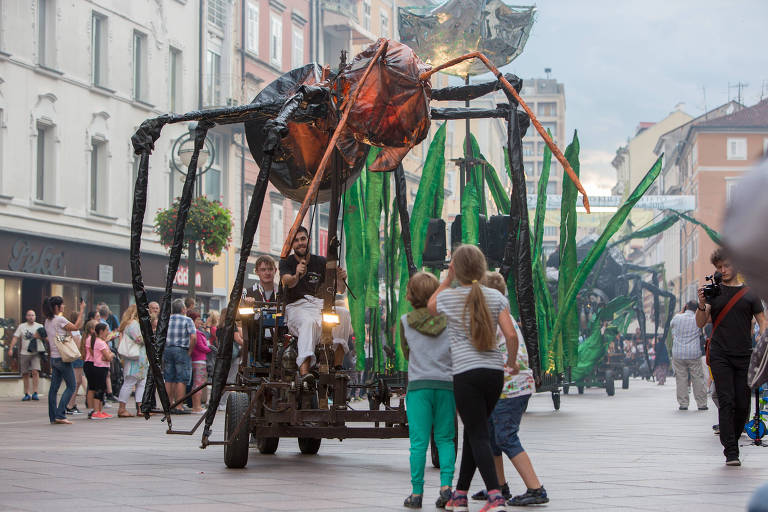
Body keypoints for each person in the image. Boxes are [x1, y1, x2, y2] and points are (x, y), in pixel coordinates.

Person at [428, 245, 518, 512]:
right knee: (474, 431)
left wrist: (447, 279)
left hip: (466, 375)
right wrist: (510, 363)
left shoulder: (450, 297)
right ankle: (461, 494)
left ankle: (495, 496)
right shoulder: (495, 296)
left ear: (456, 268)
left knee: (478, 434)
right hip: (494, 374)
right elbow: (511, 336)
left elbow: (431, 306)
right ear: (482, 267)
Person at [470, 272, 548, 507]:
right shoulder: (503, 315)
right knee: (494, 437)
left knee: (505, 436)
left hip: (510, 387)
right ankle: (499, 487)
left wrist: (511, 362)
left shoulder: (494, 316)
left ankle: (536, 489)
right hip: (509, 387)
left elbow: (509, 339)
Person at [696, 248, 766, 466]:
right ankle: (731, 452)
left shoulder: (750, 293)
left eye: (726, 266)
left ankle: (732, 439)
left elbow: (762, 320)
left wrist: (763, 340)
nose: (723, 270)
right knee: (726, 400)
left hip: (745, 354)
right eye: (719, 267)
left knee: (743, 404)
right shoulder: (713, 292)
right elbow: (701, 322)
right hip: (720, 354)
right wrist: (701, 304)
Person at [400, 272, 455, 509]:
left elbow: (406, 353)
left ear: (411, 296)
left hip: (419, 387)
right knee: (445, 439)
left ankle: (416, 493)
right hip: (446, 386)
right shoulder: (450, 321)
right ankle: (446, 487)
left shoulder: (405, 322)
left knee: (418, 443)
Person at [279, 226, 352, 376]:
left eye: (303, 239)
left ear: (309, 240)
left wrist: (340, 278)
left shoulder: (321, 262)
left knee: (343, 313)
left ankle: (337, 366)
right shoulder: (286, 262)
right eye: (296, 240)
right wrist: (296, 275)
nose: (300, 243)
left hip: (318, 306)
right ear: (292, 244)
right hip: (296, 307)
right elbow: (287, 282)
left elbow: (339, 290)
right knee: (308, 322)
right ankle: (305, 373)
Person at [43, 296, 85, 425]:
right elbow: (76, 327)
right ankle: (60, 414)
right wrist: (82, 310)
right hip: (63, 358)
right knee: (71, 386)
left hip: (54, 358)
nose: (63, 307)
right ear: (57, 307)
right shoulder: (60, 319)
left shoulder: (47, 321)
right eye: (62, 305)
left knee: (54, 388)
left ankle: (53, 416)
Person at [671, 301, 708, 411]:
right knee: (697, 378)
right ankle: (701, 404)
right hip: (693, 352)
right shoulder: (697, 319)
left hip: (678, 352)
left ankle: (683, 403)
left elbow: (671, 325)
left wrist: (681, 311)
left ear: (685, 306)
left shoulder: (677, 317)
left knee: (681, 378)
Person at [164, 298, 196, 414]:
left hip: (168, 349)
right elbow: (193, 337)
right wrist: (190, 351)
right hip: (181, 349)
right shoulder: (188, 320)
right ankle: (179, 406)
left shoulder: (167, 320)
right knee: (181, 379)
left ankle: (168, 404)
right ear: (183, 309)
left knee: (168, 378)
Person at [116, 305, 147, 418]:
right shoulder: (133, 324)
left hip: (139, 359)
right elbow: (139, 339)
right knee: (130, 382)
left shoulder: (129, 324)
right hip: (136, 359)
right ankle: (122, 408)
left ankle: (140, 408)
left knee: (140, 383)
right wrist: (149, 336)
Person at [10, 310, 43, 401]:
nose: (31, 317)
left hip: (35, 353)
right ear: (26, 317)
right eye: (29, 315)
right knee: (25, 373)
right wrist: (11, 348)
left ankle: (35, 392)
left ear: (35, 316)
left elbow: (45, 337)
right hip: (24, 353)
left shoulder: (39, 326)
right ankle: (27, 393)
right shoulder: (22, 326)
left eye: (33, 315)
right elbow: (15, 337)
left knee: (35, 371)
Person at [85, 323, 114, 419]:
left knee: (102, 389)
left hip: (102, 367)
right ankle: (96, 411)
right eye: (107, 330)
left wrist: (108, 355)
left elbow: (106, 356)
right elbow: (108, 357)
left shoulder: (100, 341)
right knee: (99, 389)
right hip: (100, 368)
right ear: (101, 331)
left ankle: (99, 410)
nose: (108, 332)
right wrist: (111, 355)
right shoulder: (100, 342)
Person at [188, 311, 211, 414]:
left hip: (196, 359)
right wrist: (210, 348)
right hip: (199, 360)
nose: (200, 321)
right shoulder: (196, 332)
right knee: (198, 384)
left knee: (197, 383)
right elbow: (201, 346)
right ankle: (196, 407)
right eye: (197, 319)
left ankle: (196, 406)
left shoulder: (195, 331)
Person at [65, 311, 85, 415]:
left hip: (75, 358)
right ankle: (70, 405)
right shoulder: (75, 332)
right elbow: (77, 346)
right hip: (77, 358)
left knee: (77, 382)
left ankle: (71, 404)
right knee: (76, 382)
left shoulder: (71, 331)